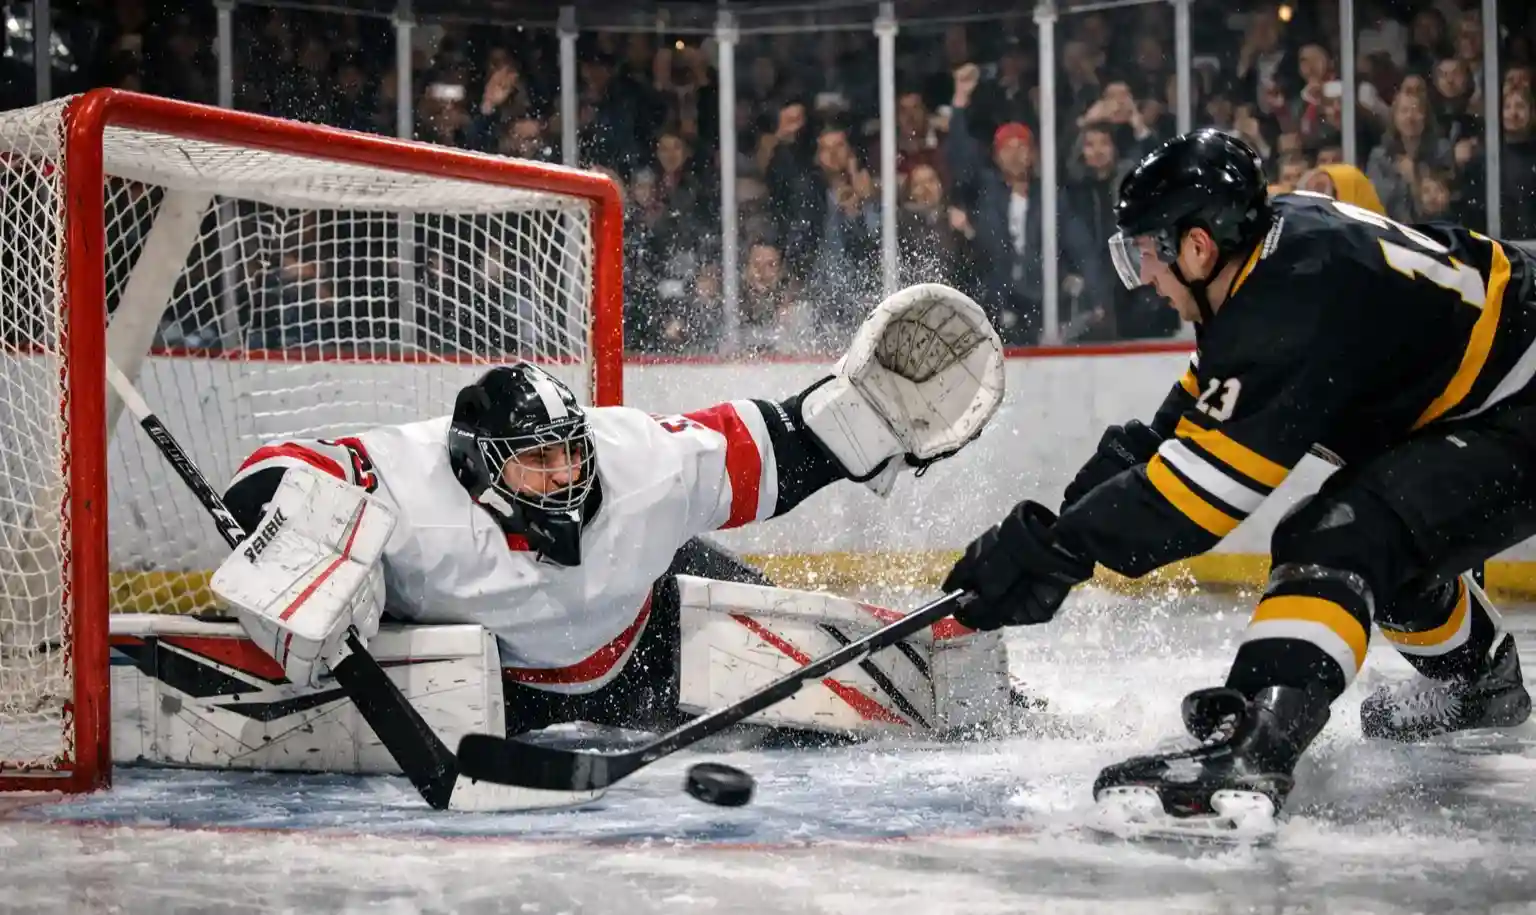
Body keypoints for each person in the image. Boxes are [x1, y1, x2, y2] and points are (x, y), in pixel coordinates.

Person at [941, 127, 1536, 835]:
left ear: (1196, 247)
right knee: (1390, 542)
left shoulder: (1286, 298)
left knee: (1341, 537)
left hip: (1520, 402)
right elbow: (1172, 433)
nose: (1146, 279)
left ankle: (1252, 745)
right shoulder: (1267, 266)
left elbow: (1194, 502)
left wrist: (1057, 550)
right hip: (1500, 394)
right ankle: (1480, 683)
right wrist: (1056, 527)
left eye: (1146, 254)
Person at [209, 285, 1004, 738]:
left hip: (651, 633)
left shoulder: (636, 462)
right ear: (481, 466)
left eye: (569, 450)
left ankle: (1018, 707)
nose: (564, 474)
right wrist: (297, 550)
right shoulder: (410, 482)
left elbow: (778, 445)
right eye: (537, 458)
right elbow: (269, 475)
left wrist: (864, 423)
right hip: (509, 683)